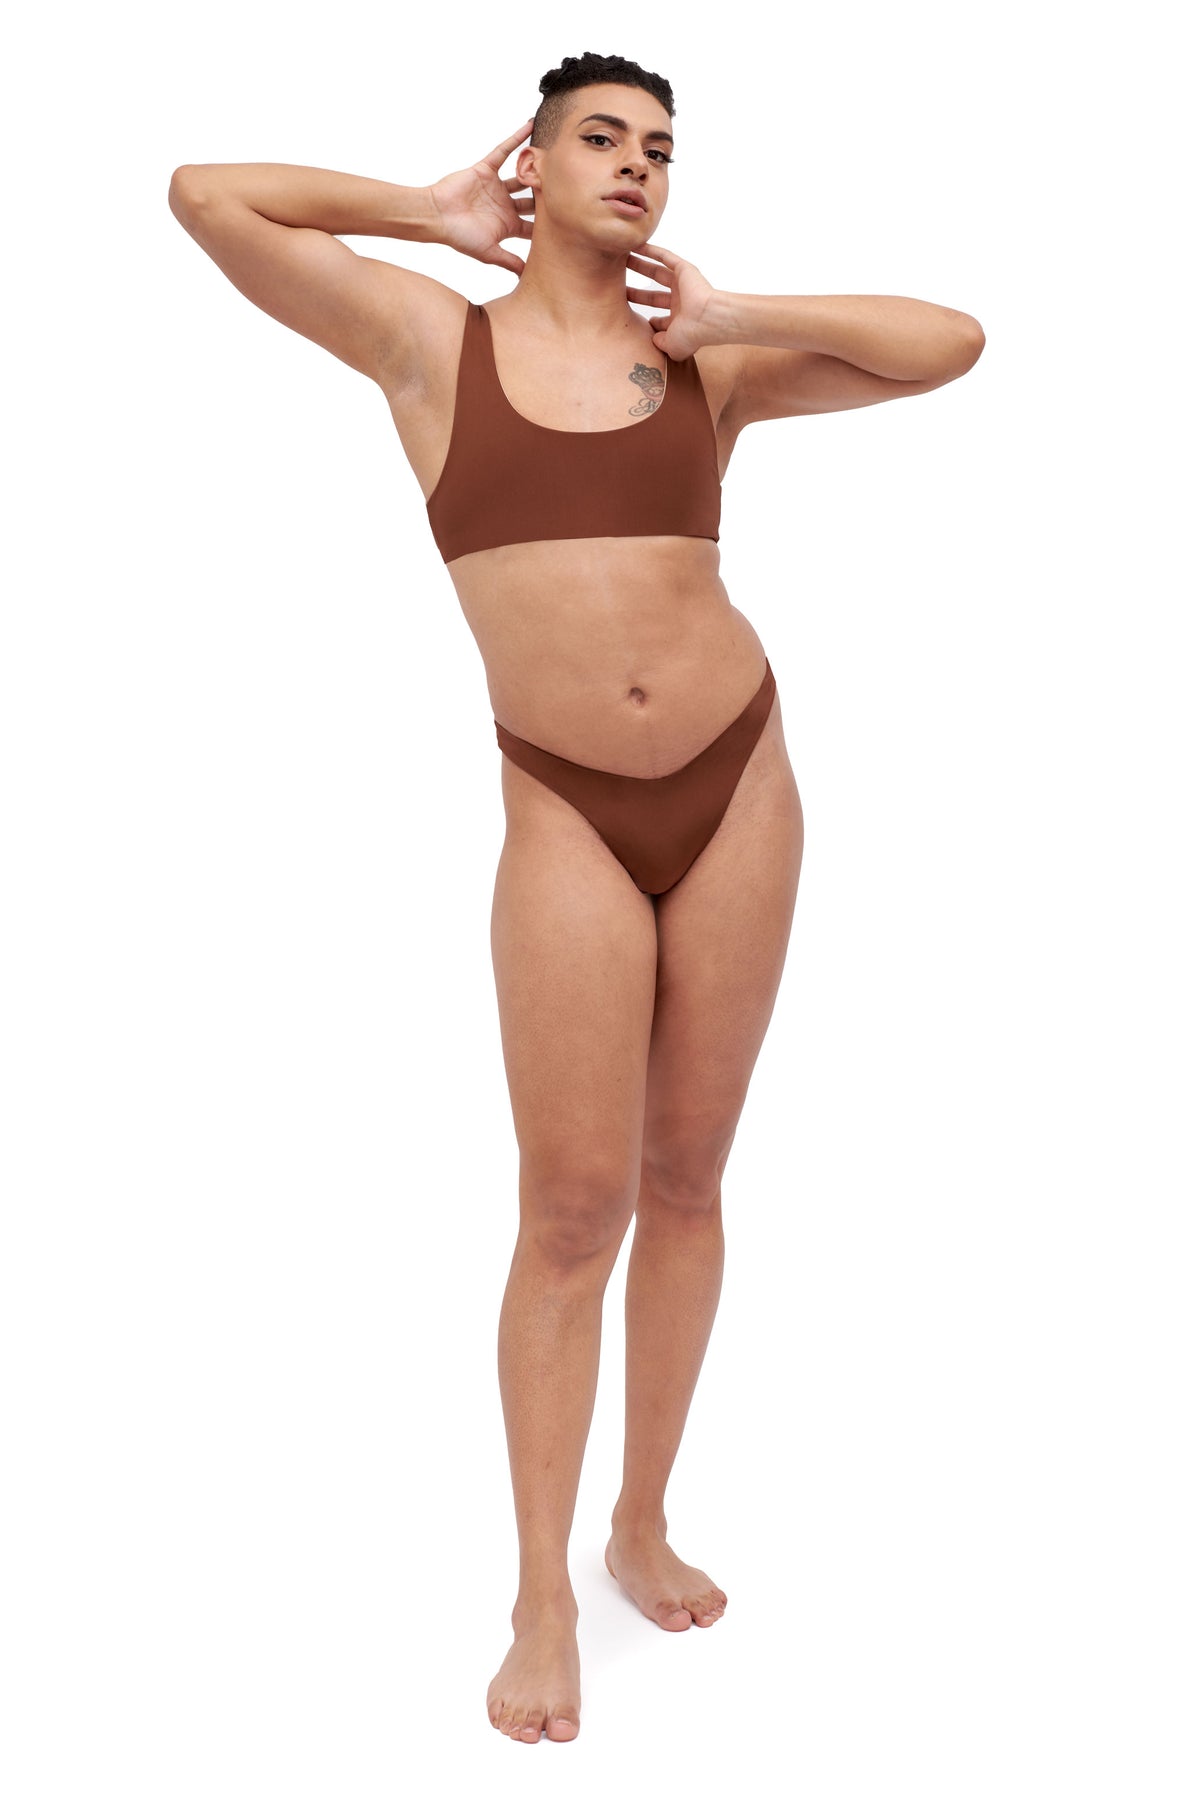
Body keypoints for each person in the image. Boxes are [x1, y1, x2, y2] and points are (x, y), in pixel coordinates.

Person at [168, 48, 984, 1747]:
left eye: (661, 149)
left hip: (740, 779)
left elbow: (952, 343)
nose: (637, 167)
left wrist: (737, 310)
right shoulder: (428, 341)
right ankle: (540, 1591)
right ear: (534, 165)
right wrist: (426, 212)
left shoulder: (707, 362)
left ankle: (642, 1523)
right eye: (601, 139)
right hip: (563, 802)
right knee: (569, 1210)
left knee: (688, 1178)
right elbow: (205, 197)